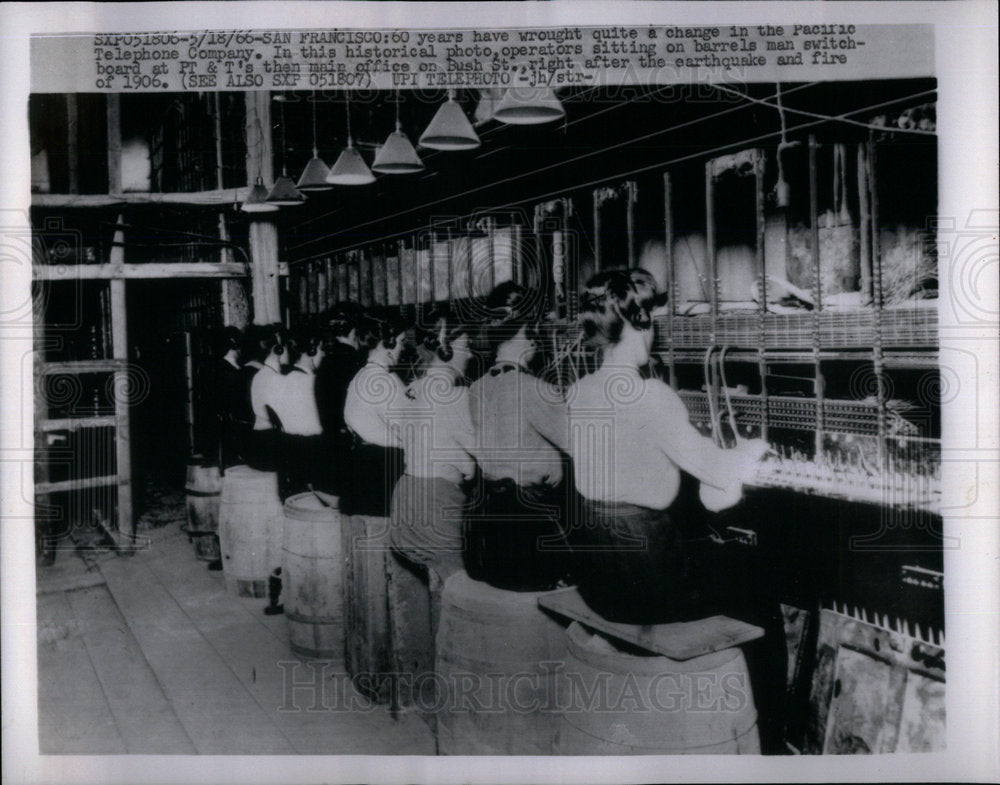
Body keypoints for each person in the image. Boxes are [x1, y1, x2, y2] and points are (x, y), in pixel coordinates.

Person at [567, 268, 769, 623]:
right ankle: (766, 680)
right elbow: (718, 477)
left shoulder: (578, 391)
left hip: (599, 581)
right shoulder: (651, 396)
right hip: (648, 584)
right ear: (638, 322)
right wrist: (750, 450)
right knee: (757, 573)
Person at [465, 281, 572, 591]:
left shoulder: (478, 387)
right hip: (531, 518)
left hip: (490, 513)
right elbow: (576, 444)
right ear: (526, 334)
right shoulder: (534, 389)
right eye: (534, 332)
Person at [389, 308, 479, 585]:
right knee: (460, 591)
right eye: (465, 347)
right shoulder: (457, 395)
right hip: (437, 503)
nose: (470, 354)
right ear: (446, 349)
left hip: (405, 499)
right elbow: (482, 454)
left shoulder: (413, 388)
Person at [341, 311, 409, 518]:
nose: (404, 347)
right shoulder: (384, 381)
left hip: (360, 465)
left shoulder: (360, 376)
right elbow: (407, 430)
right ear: (387, 344)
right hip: (385, 468)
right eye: (401, 341)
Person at [314, 302, 365, 496]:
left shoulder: (326, 361)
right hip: (350, 453)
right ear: (354, 333)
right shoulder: (354, 363)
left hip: (330, 448)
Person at [269, 324, 325, 501]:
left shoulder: (281, 379)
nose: (323, 354)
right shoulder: (312, 383)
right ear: (312, 349)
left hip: (289, 462)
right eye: (321, 349)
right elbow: (318, 429)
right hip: (311, 462)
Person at [246, 323, 287, 473]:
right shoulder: (271, 377)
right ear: (278, 350)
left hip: (261, 439)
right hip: (268, 443)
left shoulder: (261, 374)